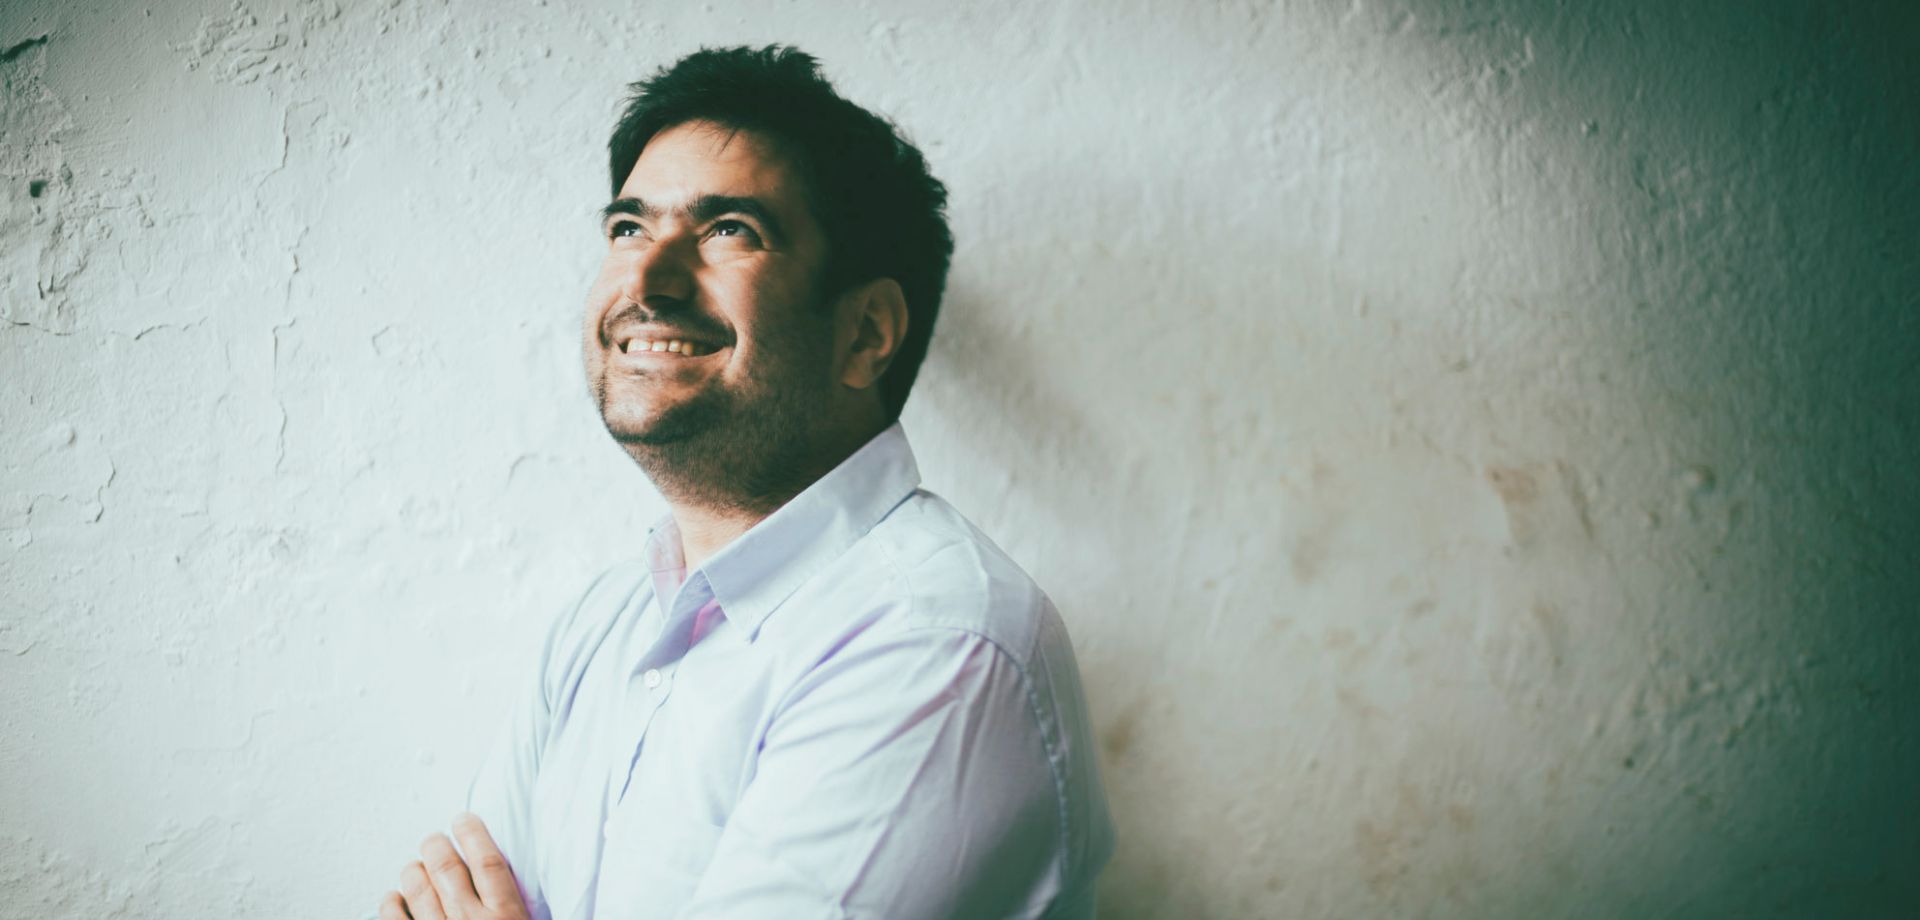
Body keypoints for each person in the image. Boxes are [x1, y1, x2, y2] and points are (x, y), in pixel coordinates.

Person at [377, 45, 1114, 920]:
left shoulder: (939, 643)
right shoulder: (601, 624)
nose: (646, 279)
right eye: (628, 228)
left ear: (866, 332)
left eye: (729, 230)